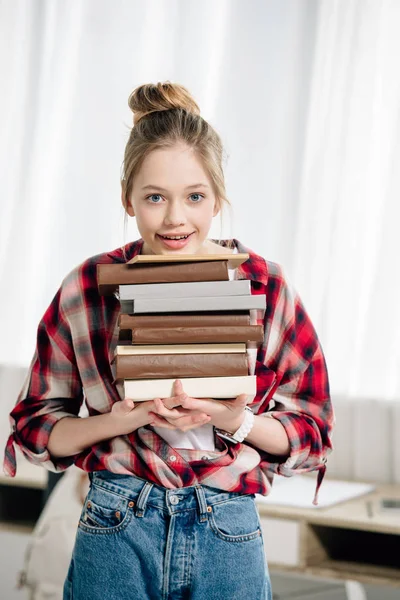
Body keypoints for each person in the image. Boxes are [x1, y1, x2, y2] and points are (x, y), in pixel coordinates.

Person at [4, 81, 334, 600]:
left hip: (226, 525)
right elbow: (34, 427)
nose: (176, 217)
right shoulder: (87, 286)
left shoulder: (266, 285)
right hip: (117, 518)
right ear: (128, 200)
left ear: (218, 197)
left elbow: (311, 432)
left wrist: (232, 418)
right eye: (155, 197)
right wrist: (119, 420)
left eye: (195, 197)